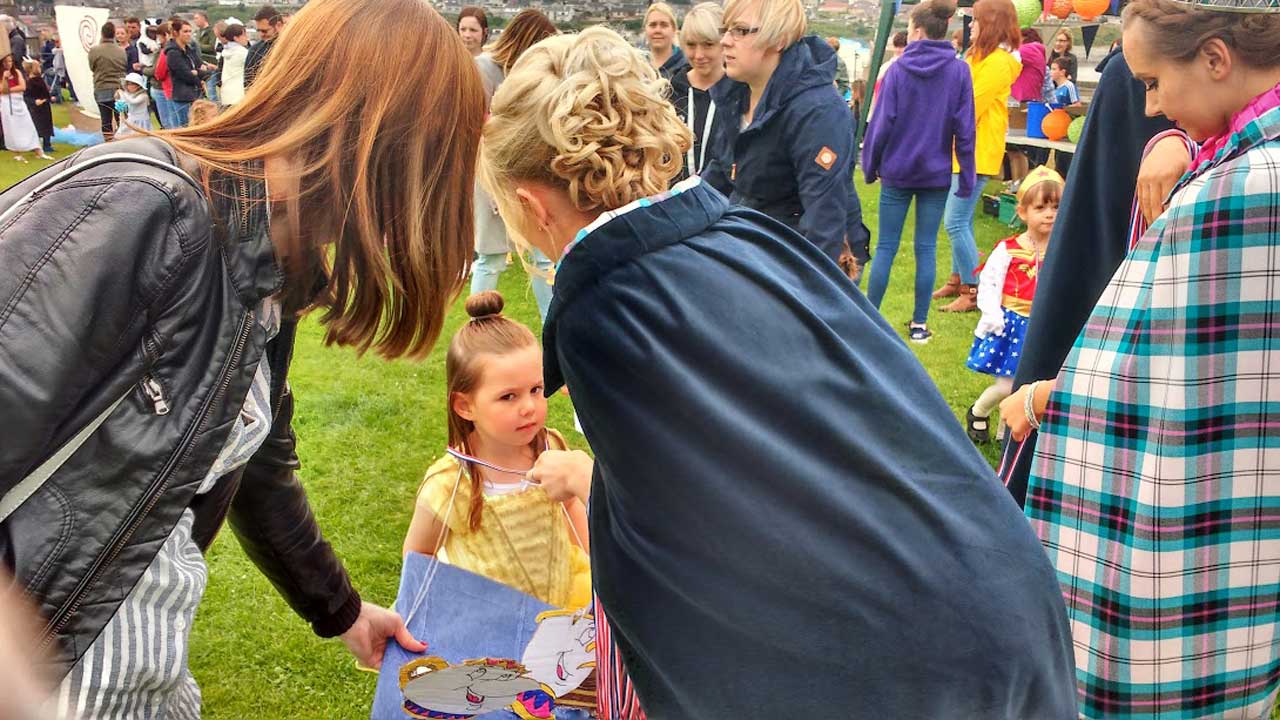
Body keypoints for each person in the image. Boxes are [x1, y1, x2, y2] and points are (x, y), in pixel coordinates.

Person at [481, 25, 1078, 719]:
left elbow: (704, 550)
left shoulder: (609, 311)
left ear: (528, 203)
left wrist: (592, 486)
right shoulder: (751, 234)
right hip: (1005, 591)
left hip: (899, 672)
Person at [0, 0, 486, 717]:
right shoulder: (146, 208)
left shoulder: (270, 258)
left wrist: (343, 611)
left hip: (140, 682)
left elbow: (251, 461)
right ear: (388, 139)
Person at [1003, 1, 1280, 716]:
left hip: (1184, 570)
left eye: (1152, 83)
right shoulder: (1239, 165)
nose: (1150, 107)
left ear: (1216, 60)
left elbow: (1130, 381)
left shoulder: (1240, 190)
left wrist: (1037, 400)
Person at [404, 291, 590, 610]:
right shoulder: (450, 483)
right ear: (465, 406)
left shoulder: (551, 448)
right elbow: (419, 554)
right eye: (508, 397)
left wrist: (595, 564)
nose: (529, 407)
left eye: (536, 389)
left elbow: (571, 505)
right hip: (491, 626)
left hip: (563, 607)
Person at [705, 0, 871, 269]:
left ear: (779, 40)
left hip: (802, 260)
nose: (724, 41)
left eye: (740, 30)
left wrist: (803, 298)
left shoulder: (818, 112)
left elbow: (823, 221)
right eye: (725, 29)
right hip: (751, 246)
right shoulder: (735, 96)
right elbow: (715, 182)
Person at [862, 0, 975, 344]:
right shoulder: (959, 71)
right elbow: (966, 129)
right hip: (936, 173)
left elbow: (881, 124)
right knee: (926, 248)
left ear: (918, 31)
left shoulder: (897, 70)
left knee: (885, 248)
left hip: (897, 170)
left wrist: (871, 166)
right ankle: (919, 325)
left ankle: (869, 319)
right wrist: (967, 176)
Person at [933, 0, 1021, 312]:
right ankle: (958, 279)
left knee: (955, 222)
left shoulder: (997, 63)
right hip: (963, 150)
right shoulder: (976, 57)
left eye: (976, 21)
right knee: (963, 219)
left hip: (977, 152)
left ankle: (973, 291)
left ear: (992, 23)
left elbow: (970, 103)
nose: (971, 26)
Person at [470, 8, 558, 322]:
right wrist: (494, 190)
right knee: (491, 257)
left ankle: (553, 325)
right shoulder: (483, 69)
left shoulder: (531, 75)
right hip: (491, 173)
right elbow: (479, 130)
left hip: (528, 175)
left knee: (543, 256)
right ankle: (478, 324)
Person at [963, 166, 1061, 443]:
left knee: (1033, 382)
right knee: (1007, 385)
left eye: (1056, 207)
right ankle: (979, 411)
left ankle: (1007, 435)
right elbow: (990, 282)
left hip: (1043, 326)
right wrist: (992, 314)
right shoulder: (1009, 249)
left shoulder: (1062, 248)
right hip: (1014, 324)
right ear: (1023, 212)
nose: (1050, 214)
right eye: (1041, 207)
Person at [669, 1, 735, 193]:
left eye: (708, 45)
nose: (699, 55)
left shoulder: (740, 94)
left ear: (724, 43)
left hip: (724, 204)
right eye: (690, 45)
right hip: (674, 202)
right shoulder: (669, 93)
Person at [0, 55, 48, 162]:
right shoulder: (2, 75)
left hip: (19, 101)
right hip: (7, 103)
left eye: (10, 61)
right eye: (6, 62)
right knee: (12, 127)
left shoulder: (17, 72)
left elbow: (23, 87)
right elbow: (2, 90)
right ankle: (17, 152)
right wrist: (4, 79)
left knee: (27, 124)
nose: (9, 64)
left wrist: (10, 90)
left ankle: (38, 150)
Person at [165, 18, 209, 127]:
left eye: (190, 31)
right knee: (186, 128)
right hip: (183, 97)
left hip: (197, 94)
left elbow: (205, 71)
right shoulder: (173, 53)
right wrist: (197, 73)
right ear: (176, 33)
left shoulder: (189, 50)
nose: (189, 34)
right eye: (185, 31)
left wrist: (196, 72)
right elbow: (186, 75)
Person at [88, 21, 126, 141]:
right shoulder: (121, 51)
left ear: (102, 34)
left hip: (102, 85)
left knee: (105, 119)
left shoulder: (94, 50)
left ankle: (108, 141)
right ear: (114, 34)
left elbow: (92, 67)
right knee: (120, 117)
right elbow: (124, 66)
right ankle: (123, 140)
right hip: (118, 87)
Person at [644, 2, 688, 80]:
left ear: (674, 30)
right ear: (645, 30)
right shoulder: (637, 66)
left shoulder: (686, 66)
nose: (658, 30)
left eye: (664, 25)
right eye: (653, 25)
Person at [245, 5, 283, 88]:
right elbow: (247, 82)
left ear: (279, 25)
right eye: (259, 30)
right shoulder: (255, 50)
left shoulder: (292, 47)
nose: (261, 35)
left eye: (264, 31)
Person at [23, 59, 53, 155]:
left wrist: (48, 98)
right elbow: (26, 96)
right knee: (37, 125)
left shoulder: (39, 80)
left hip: (44, 106)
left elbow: (45, 93)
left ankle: (47, 144)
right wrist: (34, 101)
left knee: (46, 125)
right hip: (36, 108)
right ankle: (35, 145)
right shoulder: (30, 82)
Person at [219, 23, 248, 106]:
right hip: (239, 94)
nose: (247, 38)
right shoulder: (242, 53)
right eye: (244, 35)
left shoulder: (225, 52)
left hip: (226, 94)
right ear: (236, 38)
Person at [115, 72, 152, 136]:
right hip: (131, 120)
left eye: (132, 84)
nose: (129, 86)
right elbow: (123, 102)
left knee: (141, 137)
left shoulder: (143, 96)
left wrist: (122, 93)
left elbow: (133, 101)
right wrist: (119, 100)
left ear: (138, 86)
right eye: (128, 84)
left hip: (141, 121)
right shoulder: (128, 94)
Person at [193, 10, 217, 100]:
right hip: (201, 64)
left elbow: (212, 47)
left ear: (204, 18)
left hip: (210, 63)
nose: (195, 20)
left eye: (196, 18)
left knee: (211, 92)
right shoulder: (198, 32)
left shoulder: (211, 31)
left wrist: (197, 46)